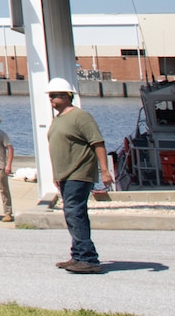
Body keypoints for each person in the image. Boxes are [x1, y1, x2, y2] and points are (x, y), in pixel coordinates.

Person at [46, 76, 109, 274]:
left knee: (75, 213)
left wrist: (105, 170)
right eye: (50, 96)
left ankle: (89, 258)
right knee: (72, 214)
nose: (51, 99)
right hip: (65, 175)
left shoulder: (81, 117)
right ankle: (78, 256)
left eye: (55, 96)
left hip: (79, 173)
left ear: (67, 96)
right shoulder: (59, 119)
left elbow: (97, 142)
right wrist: (57, 174)